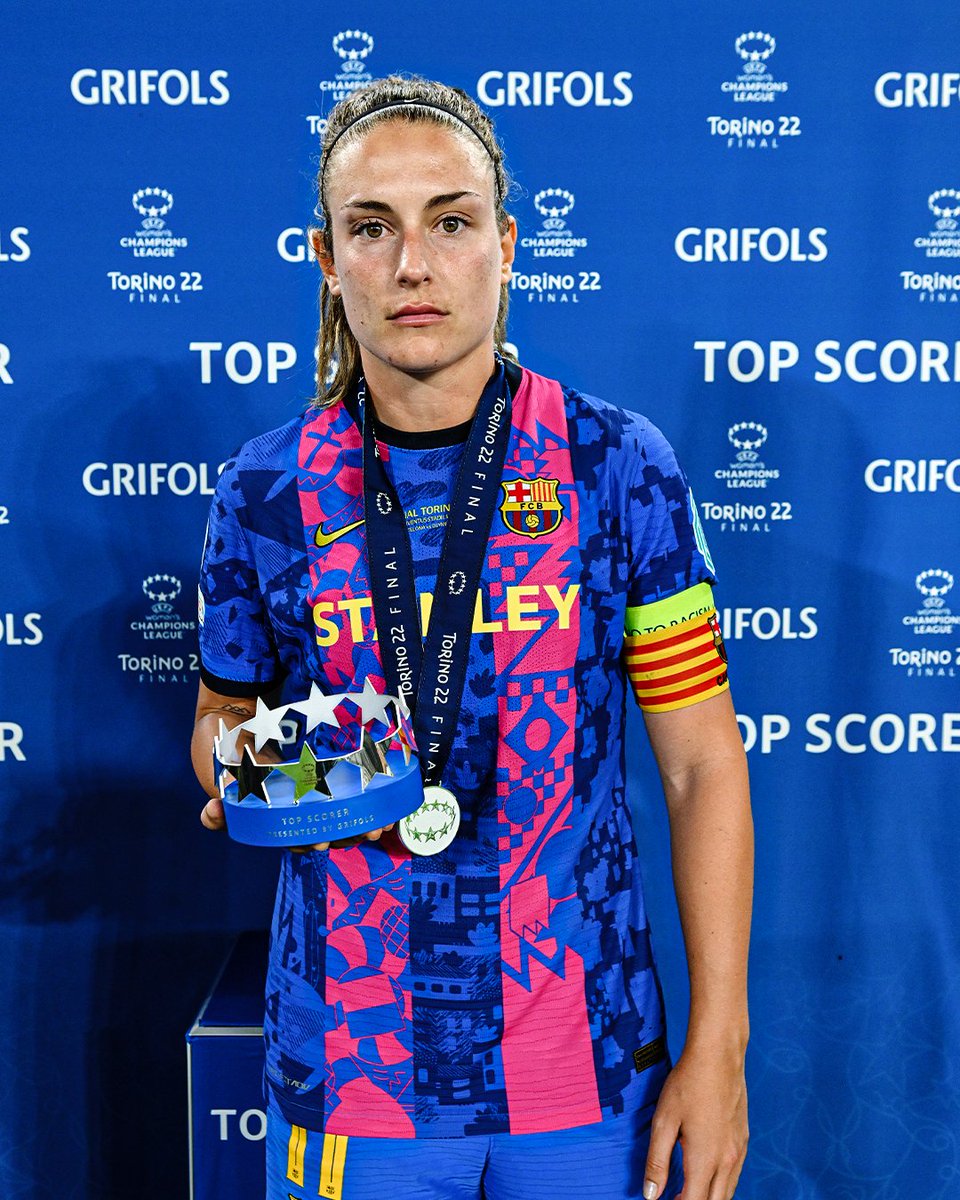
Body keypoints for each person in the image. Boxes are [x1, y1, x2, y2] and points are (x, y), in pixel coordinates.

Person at [191, 75, 753, 1200]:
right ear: (326, 257)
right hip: (353, 1069)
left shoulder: (615, 464)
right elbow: (219, 725)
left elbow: (700, 767)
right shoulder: (264, 488)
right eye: (372, 228)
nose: (413, 264)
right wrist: (263, 780)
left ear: (505, 245)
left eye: (450, 222)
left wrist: (721, 1050)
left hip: (588, 1063)